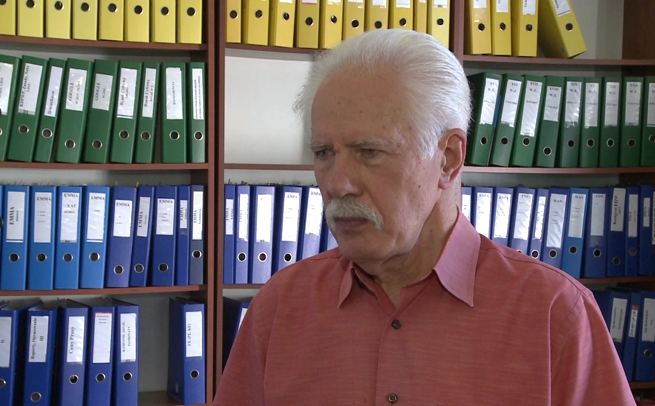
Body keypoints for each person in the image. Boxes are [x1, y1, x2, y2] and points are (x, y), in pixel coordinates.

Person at [214, 29, 635, 405]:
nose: (338, 184)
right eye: (324, 153)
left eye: (369, 152)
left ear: (448, 158)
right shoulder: (280, 307)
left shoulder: (554, 315)